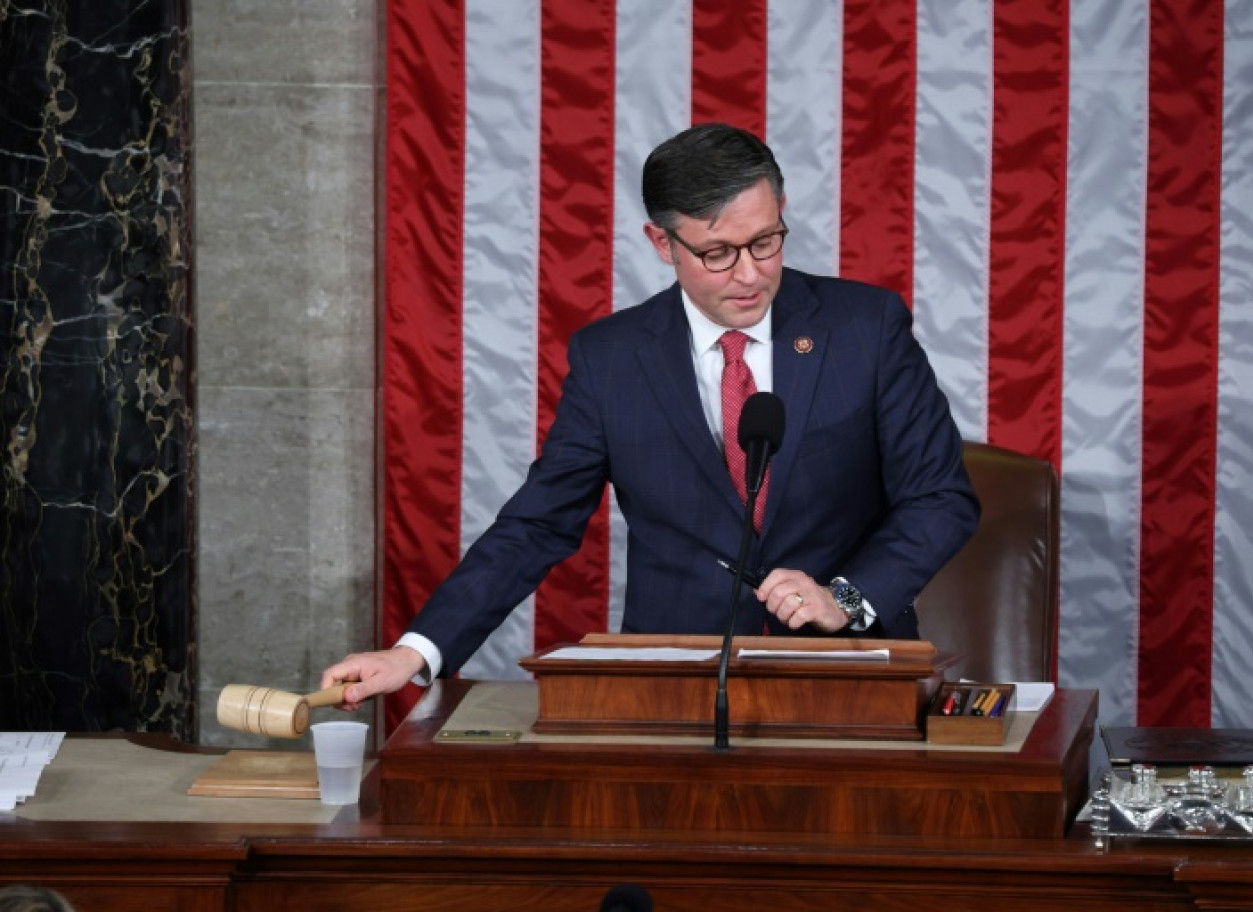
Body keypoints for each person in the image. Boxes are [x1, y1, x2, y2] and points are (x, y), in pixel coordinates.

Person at [322, 123, 979, 706]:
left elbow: (940, 497)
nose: (749, 274)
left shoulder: (865, 328)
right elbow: (538, 524)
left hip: (848, 674)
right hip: (671, 682)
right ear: (662, 243)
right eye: (717, 252)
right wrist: (415, 652)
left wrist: (844, 598)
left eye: (766, 242)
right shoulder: (611, 359)